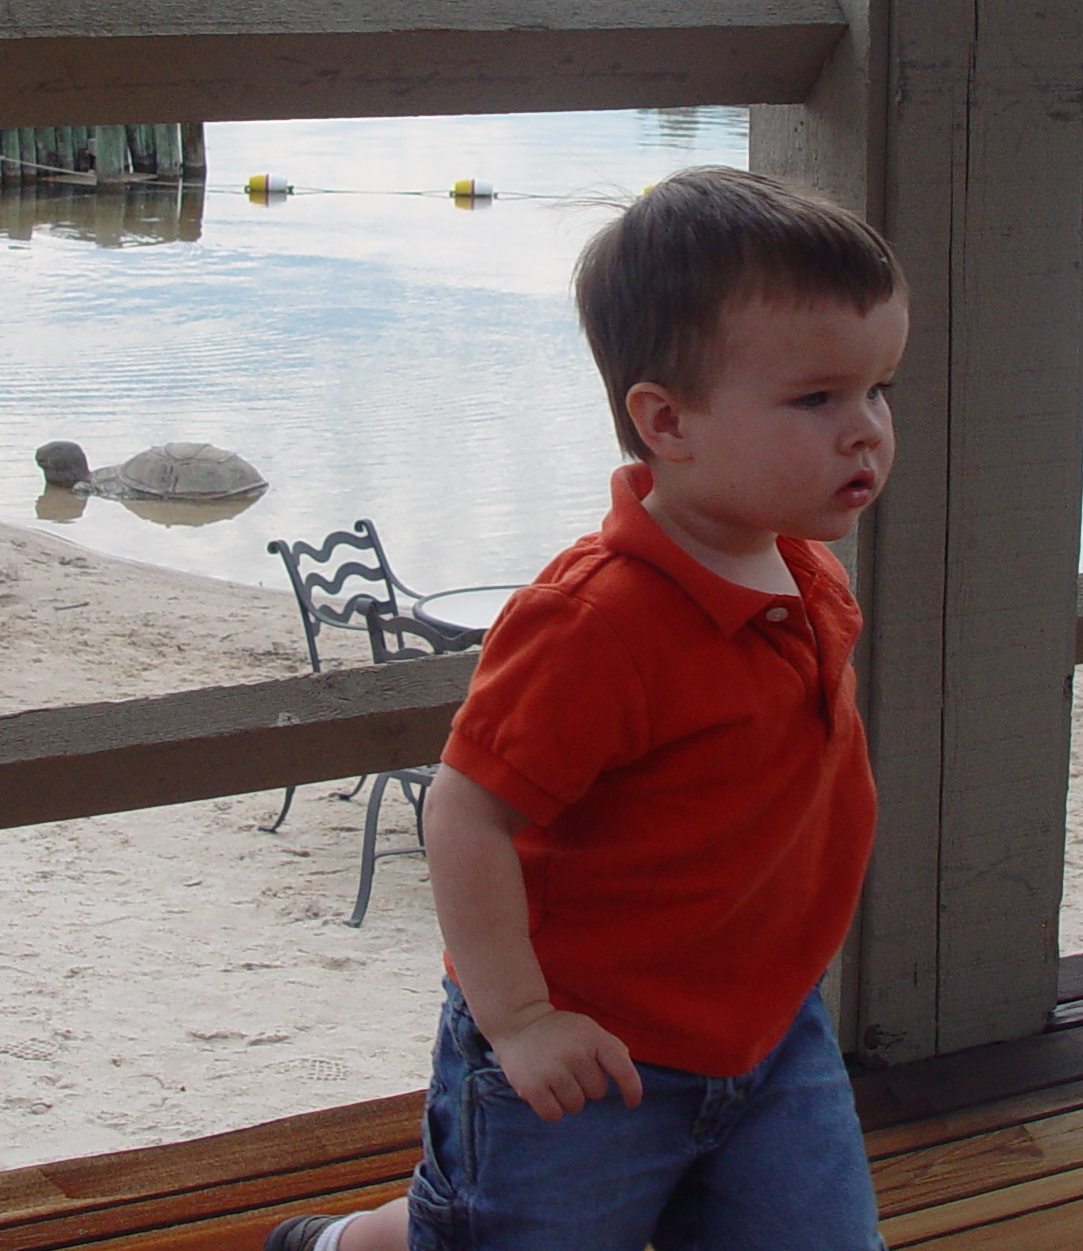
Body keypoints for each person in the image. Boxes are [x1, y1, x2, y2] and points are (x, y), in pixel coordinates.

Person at [268, 165, 908, 1251]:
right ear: (665, 421)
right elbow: (468, 813)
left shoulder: (805, 570)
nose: (866, 432)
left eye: (877, 390)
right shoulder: (593, 623)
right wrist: (518, 1020)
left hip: (768, 1025)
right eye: (816, 399)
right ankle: (358, 1244)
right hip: (583, 1054)